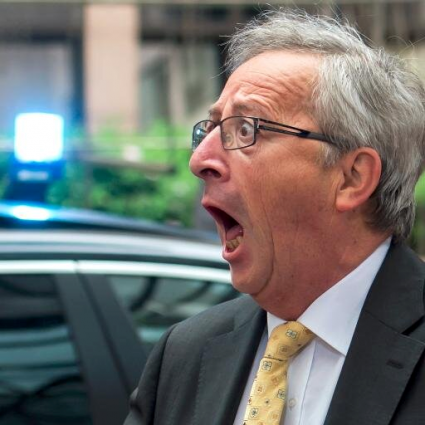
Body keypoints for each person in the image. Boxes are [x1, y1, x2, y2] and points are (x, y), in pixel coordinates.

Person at [124, 8, 425, 425]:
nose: (199, 160)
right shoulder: (184, 354)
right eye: (208, 130)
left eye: (246, 129)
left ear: (352, 177)